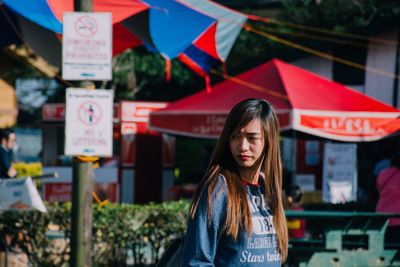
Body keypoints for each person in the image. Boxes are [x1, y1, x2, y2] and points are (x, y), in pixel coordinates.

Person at [182, 98, 288, 266]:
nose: (243, 146)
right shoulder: (218, 188)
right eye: (235, 136)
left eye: (252, 138)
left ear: (268, 141)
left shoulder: (267, 188)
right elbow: (196, 261)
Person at [376, 153, 400, 245]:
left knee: (384, 246)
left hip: (381, 216)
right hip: (397, 218)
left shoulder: (382, 174)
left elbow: (378, 189)